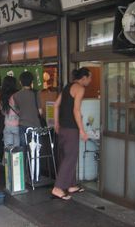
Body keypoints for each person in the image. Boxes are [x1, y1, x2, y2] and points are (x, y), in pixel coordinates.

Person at [52, 67, 92, 200]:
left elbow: (56, 105)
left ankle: (70, 185)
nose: (90, 81)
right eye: (90, 77)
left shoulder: (67, 87)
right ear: (84, 78)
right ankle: (58, 188)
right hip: (71, 129)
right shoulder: (80, 88)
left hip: (63, 128)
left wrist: (56, 123)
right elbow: (76, 110)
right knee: (70, 158)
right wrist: (81, 130)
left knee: (66, 156)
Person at [13, 71, 43, 147]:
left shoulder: (16, 95)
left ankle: (25, 159)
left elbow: (16, 111)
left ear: (20, 82)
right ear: (32, 82)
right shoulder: (36, 94)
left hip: (22, 125)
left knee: (24, 148)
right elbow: (40, 112)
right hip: (35, 125)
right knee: (36, 150)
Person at [0, 76, 19, 148]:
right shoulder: (17, 95)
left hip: (7, 124)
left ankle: (8, 159)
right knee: (17, 149)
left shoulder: (0, 95)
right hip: (17, 124)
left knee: (8, 149)